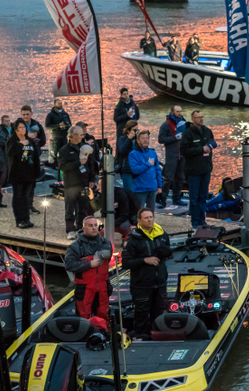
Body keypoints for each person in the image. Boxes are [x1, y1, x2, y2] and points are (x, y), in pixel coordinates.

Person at [121, 208, 172, 339]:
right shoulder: (133, 239)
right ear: (139, 221)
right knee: (141, 314)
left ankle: (157, 336)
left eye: (151, 217)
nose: (149, 220)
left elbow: (168, 251)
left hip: (160, 282)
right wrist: (144, 260)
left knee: (159, 312)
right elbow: (126, 263)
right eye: (146, 218)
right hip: (141, 284)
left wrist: (167, 252)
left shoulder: (162, 234)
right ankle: (141, 337)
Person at [63, 215, 112, 321]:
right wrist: (88, 265)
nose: (94, 228)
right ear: (84, 228)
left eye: (95, 225)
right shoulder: (75, 246)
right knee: (83, 316)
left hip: (103, 286)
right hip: (85, 288)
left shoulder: (106, 243)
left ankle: (103, 334)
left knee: (104, 315)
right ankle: (85, 336)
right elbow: (69, 265)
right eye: (90, 226)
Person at [181, 110, 215, 228]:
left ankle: (202, 220)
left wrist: (211, 145)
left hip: (206, 169)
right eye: (198, 117)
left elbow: (212, 141)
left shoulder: (207, 131)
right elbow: (184, 151)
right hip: (193, 171)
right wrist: (201, 149)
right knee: (194, 198)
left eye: (202, 117)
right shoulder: (188, 134)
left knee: (203, 197)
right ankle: (195, 222)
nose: (201, 119)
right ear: (193, 119)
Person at [58, 125, 92, 239]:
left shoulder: (84, 147)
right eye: (79, 135)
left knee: (83, 207)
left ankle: (80, 228)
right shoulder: (64, 150)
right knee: (70, 208)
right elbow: (62, 166)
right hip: (71, 184)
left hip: (83, 182)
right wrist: (78, 163)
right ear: (72, 136)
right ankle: (70, 230)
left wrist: (92, 179)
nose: (82, 137)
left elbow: (90, 165)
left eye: (82, 134)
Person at [5, 119, 40, 229]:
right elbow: (10, 153)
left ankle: (26, 219)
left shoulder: (30, 141)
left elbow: (35, 156)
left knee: (26, 196)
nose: (22, 129)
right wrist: (20, 145)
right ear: (15, 129)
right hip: (17, 173)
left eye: (24, 127)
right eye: (20, 128)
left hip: (29, 173)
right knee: (18, 197)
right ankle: (19, 219)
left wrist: (37, 172)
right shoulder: (12, 140)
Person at [157, 105, 187, 208]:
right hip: (171, 155)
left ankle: (177, 198)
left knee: (180, 178)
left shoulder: (184, 123)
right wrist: (174, 137)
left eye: (180, 111)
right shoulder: (166, 125)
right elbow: (161, 139)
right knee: (168, 178)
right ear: (172, 112)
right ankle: (162, 200)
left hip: (182, 154)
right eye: (177, 111)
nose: (179, 113)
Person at [127, 129, 163, 213]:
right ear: (138, 141)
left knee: (151, 212)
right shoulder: (133, 154)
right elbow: (135, 170)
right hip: (140, 189)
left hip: (152, 188)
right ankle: (138, 226)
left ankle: (150, 226)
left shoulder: (153, 153)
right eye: (143, 138)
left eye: (147, 138)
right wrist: (148, 164)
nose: (145, 140)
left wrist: (160, 186)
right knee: (139, 213)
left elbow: (158, 170)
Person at [116, 119, 140, 211]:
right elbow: (122, 150)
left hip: (137, 169)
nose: (136, 132)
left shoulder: (137, 140)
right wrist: (129, 139)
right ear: (128, 130)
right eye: (134, 130)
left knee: (136, 193)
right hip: (127, 169)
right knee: (129, 193)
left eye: (137, 130)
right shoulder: (122, 139)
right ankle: (128, 213)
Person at [44, 98, 71, 168]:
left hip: (64, 137)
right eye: (58, 103)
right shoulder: (50, 115)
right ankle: (54, 165)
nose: (60, 104)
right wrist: (57, 126)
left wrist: (66, 126)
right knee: (55, 154)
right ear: (55, 105)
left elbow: (70, 125)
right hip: (55, 138)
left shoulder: (65, 114)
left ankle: (63, 165)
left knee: (64, 152)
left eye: (61, 103)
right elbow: (47, 126)